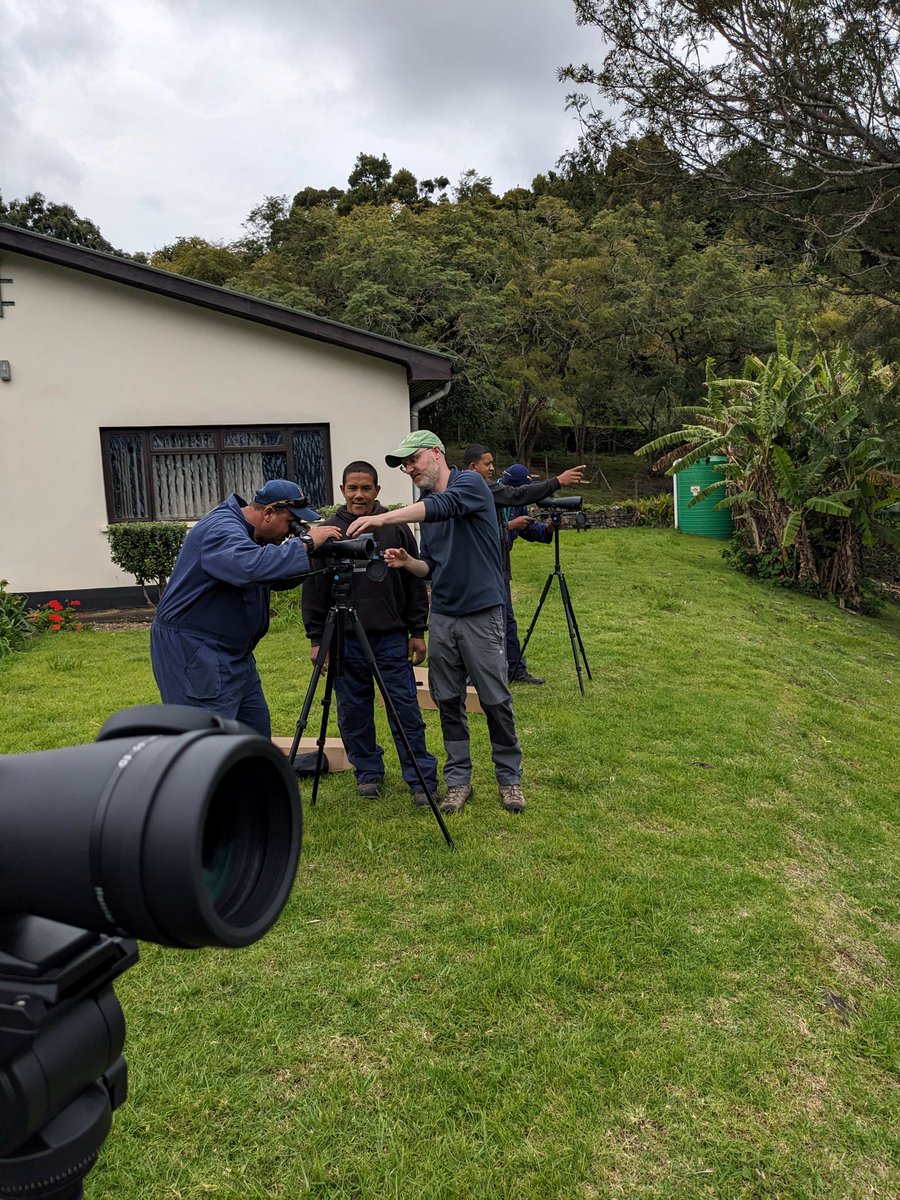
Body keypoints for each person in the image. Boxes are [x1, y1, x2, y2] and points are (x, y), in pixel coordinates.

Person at [346, 430, 527, 815]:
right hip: (443, 615)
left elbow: (444, 507)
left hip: (481, 612)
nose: (409, 468)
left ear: (436, 453)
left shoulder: (471, 483)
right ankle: (458, 780)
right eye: (404, 465)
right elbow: (431, 565)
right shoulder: (426, 506)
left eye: (413, 460)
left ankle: (509, 778)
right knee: (447, 701)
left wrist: (383, 519)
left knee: (495, 699)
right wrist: (407, 563)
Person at [150, 479, 340, 737]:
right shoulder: (221, 529)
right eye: (290, 523)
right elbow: (250, 567)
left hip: (233, 651)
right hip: (197, 651)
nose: (291, 532)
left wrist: (310, 555)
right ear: (269, 513)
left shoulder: (250, 532)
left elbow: (267, 577)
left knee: (253, 733)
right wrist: (305, 543)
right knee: (207, 742)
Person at [301, 460, 439, 805]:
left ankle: (420, 776)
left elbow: (414, 583)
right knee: (352, 711)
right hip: (345, 640)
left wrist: (417, 630)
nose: (358, 495)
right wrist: (318, 639)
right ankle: (368, 773)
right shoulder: (328, 532)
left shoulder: (394, 528)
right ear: (342, 490)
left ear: (377, 490)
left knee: (404, 708)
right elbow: (314, 591)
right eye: (352, 488)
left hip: (391, 636)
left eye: (366, 488)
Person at [461, 445, 586, 685]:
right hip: (479, 568)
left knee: (507, 619)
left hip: (501, 568)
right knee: (483, 622)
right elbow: (477, 532)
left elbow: (529, 529)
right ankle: (476, 673)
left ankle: (515, 669)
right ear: (472, 467)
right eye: (487, 463)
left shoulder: (514, 500)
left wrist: (548, 527)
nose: (491, 467)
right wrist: (511, 525)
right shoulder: (482, 492)